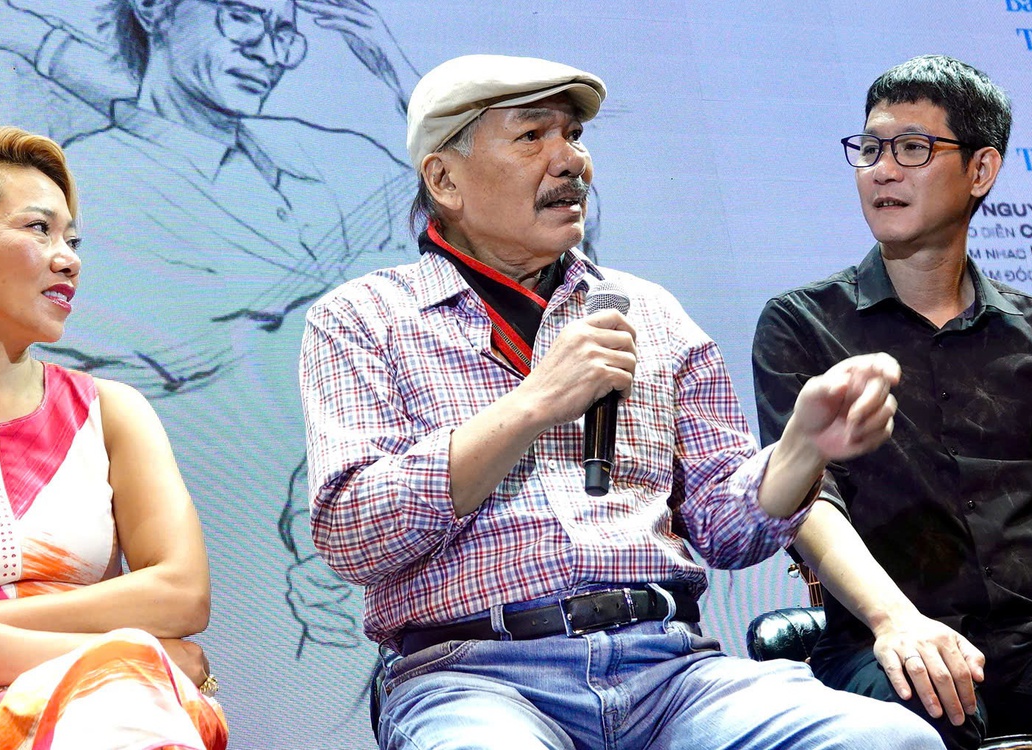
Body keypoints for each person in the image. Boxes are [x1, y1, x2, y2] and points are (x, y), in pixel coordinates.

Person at [300, 53, 944, 749]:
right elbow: (353, 534)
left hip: (669, 672)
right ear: (444, 179)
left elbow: (724, 530)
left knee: (891, 742)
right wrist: (532, 403)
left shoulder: (649, 312)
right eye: (532, 136)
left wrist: (801, 450)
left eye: (573, 136)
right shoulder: (363, 318)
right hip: (475, 678)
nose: (571, 161)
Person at [0, 123, 229, 749]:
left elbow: (182, 593)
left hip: (111, 711)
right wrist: (128, 651)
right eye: (38, 229)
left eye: (71, 239)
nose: (68, 258)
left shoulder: (113, 412)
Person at [752, 55, 1032, 749]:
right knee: (925, 714)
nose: (882, 171)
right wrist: (896, 620)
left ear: (981, 170)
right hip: (885, 642)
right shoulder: (804, 323)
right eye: (870, 149)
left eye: (913, 148)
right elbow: (806, 500)